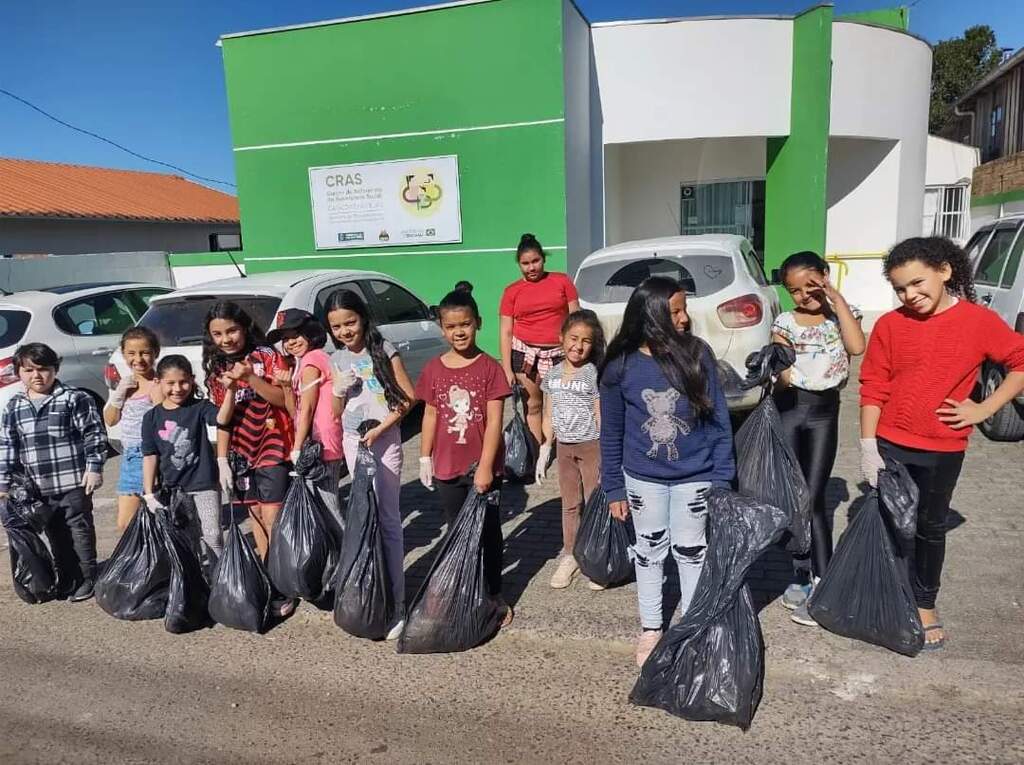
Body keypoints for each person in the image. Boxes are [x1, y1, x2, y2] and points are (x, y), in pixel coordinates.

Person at [860, 236, 1024, 651]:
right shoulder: (889, 326)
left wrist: (984, 409)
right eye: (900, 288)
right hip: (891, 444)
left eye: (917, 283)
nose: (910, 295)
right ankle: (886, 593)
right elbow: (873, 385)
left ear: (945, 271)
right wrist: (866, 444)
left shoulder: (978, 322)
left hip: (942, 448)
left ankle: (924, 604)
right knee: (893, 523)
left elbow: (1019, 363)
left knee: (930, 529)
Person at [599, 277, 735, 667]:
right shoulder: (620, 366)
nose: (684, 318)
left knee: (692, 552)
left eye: (684, 308)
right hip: (642, 480)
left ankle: (690, 629)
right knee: (649, 551)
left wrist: (722, 478)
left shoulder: (697, 355)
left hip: (697, 477)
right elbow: (611, 432)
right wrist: (613, 488)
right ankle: (652, 629)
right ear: (651, 315)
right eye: (675, 310)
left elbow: (719, 421)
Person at [771, 252, 865, 626]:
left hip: (825, 414)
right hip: (791, 411)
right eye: (793, 290)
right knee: (796, 497)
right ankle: (799, 571)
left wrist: (835, 300)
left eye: (809, 286)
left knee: (815, 496)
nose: (801, 296)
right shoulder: (784, 321)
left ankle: (822, 579)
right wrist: (774, 368)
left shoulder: (843, 314)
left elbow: (856, 348)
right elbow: (782, 372)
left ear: (824, 277)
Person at [416, 285, 514, 626]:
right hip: (447, 468)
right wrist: (424, 456)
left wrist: (486, 469)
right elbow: (429, 414)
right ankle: (462, 589)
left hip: (482, 471)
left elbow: (494, 424)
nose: (460, 331)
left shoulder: (490, 369)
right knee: (457, 530)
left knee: (487, 533)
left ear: (478, 323)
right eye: (452, 326)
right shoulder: (433, 369)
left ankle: (492, 593)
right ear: (442, 329)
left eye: (466, 324)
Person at [324, 289, 416, 640]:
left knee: (388, 520)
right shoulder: (337, 360)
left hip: (384, 442)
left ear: (363, 317)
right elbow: (335, 415)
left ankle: (397, 603)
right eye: (337, 327)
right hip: (354, 444)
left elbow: (408, 398)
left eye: (350, 322)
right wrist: (337, 389)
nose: (345, 331)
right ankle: (369, 592)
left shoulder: (384, 349)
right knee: (364, 519)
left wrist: (380, 430)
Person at [202, 301, 296, 616]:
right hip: (242, 453)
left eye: (231, 330)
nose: (226, 339)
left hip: (272, 445)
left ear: (244, 328)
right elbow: (223, 420)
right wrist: (222, 459)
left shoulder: (266, 356)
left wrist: (250, 378)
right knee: (256, 518)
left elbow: (283, 400)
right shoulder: (217, 367)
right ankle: (270, 581)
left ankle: (284, 586)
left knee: (274, 520)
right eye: (218, 334)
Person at [0, 342, 107, 601]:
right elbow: (7, 445)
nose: (37, 376)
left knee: (79, 530)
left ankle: (87, 578)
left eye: (44, 369)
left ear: (55, 369)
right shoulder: (14, 407)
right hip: (37, 487)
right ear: (19, 373)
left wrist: (94, 467)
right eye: (29, 370)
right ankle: (67, 577)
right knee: (55, 533)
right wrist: (3, 483)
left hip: (73, 482)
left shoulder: (74, 398)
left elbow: (94, 434)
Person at [536, 309, 606, 590]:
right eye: (573, 338)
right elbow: (548, 414)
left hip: (591, 446)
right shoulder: (551, 375)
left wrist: (606, 449)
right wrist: (545, 448)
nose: (578, 346)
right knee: (570, 504)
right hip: (565, 448)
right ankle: (571, 555)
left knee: (594, 502)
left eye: (586, 341)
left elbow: (599, 413)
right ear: (561, 338)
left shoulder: (592, 373)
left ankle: (596, 557)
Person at [141, 355, 235, 558]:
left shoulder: (200, 407)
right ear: (158, 382)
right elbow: (150, 456)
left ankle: (218, 582)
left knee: (213, 536)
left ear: (192, 380)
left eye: (183, 382)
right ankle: (196, 584)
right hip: (174, 489)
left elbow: (222, 419)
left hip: (205, 485)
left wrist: (231, 391)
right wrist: (149, 493)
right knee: (186, 541)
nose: (177, 389)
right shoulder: (151, 418)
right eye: (170, 383)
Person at [499, 233, 580, 448]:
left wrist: (577, 354)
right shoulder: (511, 291)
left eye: (535, 261)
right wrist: (507, 369)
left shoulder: (562, 281)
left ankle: (565, 451)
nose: (531, 267)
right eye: (525, 263)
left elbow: (576, 320)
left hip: (560, 355)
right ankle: (536, 453)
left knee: (564, 404)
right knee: (533, 405)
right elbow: (506, 331)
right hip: (525, 355)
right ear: (519, 264)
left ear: (543, 258)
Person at [267, 309, 344, 520]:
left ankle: (347, 551)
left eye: (296, 335)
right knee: (321, 505)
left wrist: (297, 447)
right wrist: (285, 386)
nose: (291, 342)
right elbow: (296, 411)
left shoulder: (312, 360)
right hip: (315, 441)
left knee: (328, 507)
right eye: (285, 339)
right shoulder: (302, 363)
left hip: (322, 441)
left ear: (310, 332)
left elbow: (308, 408)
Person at [104, 327, 163, 534]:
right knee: (126, 524)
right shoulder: (125, 385)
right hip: (130, 458)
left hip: (152, 457)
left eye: (145, 352)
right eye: (131, 353)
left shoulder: (159, 384)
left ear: (155, 352)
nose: (138, 359)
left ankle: (164, 563)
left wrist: (159, 395)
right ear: (123, 353)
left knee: (159, 521)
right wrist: (119, 394)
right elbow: (110, 421)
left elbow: (165, 425)